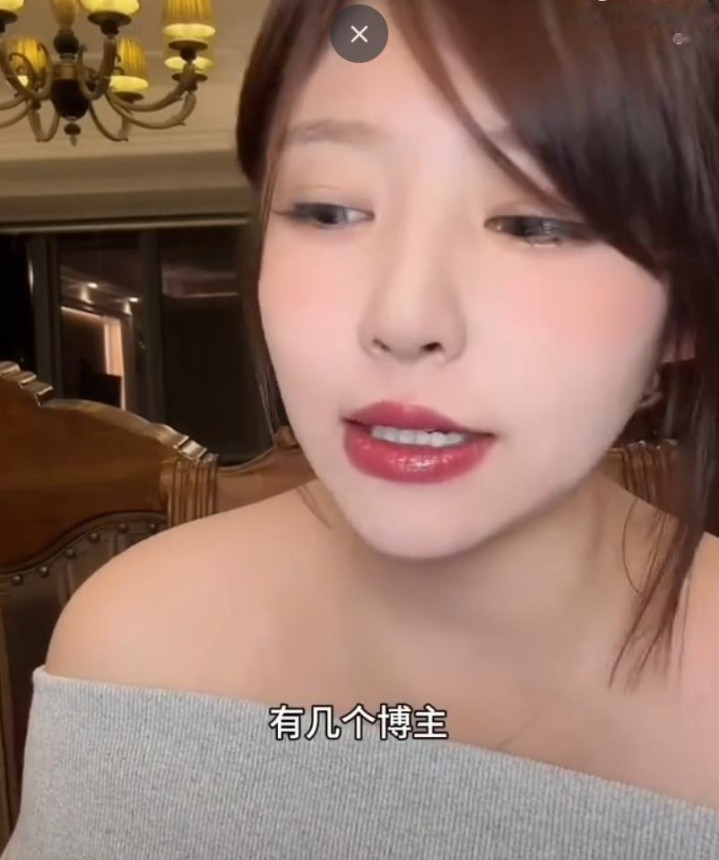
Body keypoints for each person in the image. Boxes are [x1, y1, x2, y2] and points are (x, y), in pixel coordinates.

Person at [5, 0, 719, 857]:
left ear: (685, 306)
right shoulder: (142, 645)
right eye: (328, 211)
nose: (403, 319)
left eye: (535, 224)